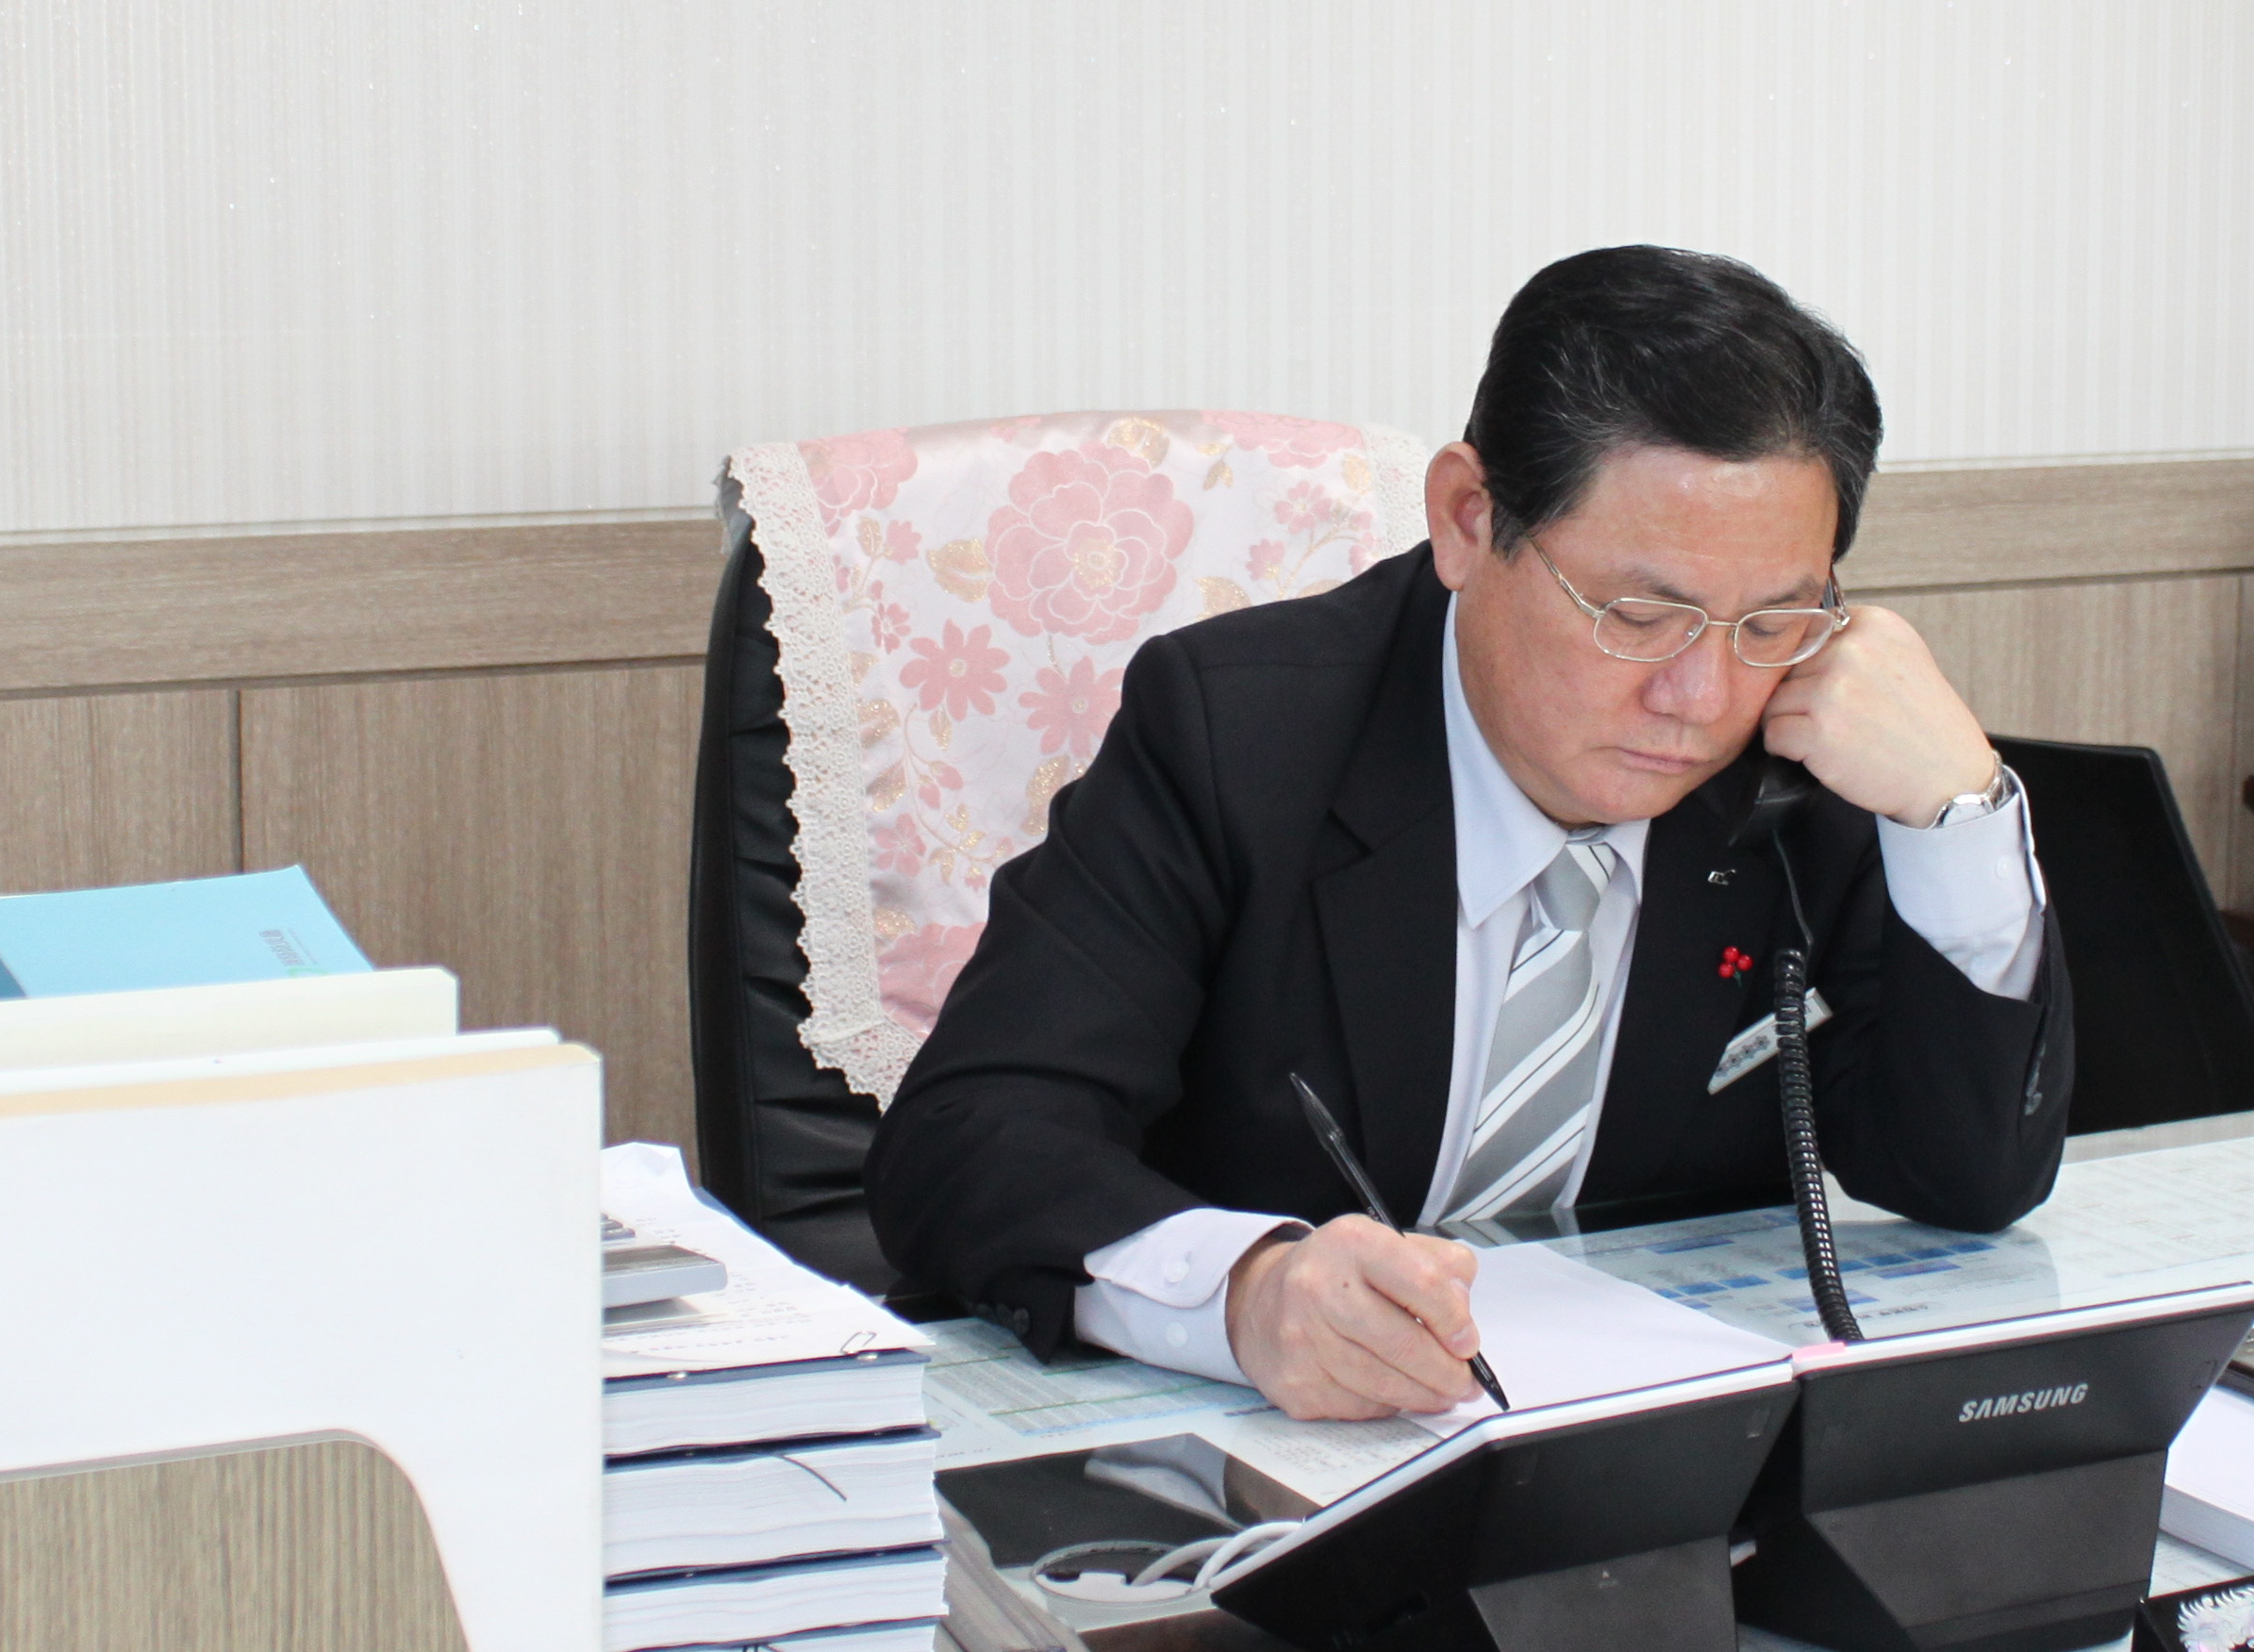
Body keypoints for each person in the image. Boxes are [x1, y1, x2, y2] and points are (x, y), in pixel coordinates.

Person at [863, 246, 2070, 1419]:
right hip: (1282, 1449)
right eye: (1640, 614)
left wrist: (1957, 815)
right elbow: (969, 1141)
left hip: (1669, 1446)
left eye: (1771, 620)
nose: (1702, 700)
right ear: (1467, 519)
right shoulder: (1238, 734)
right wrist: (1246, 1295)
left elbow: (1967, 1179)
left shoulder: (1808, 748)